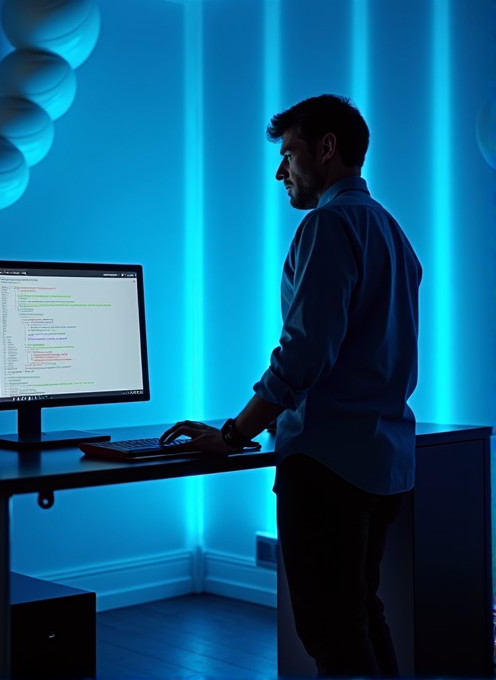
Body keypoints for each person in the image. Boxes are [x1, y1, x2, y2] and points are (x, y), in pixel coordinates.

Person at [161, 94, 422, 679]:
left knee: (332, 635)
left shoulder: (327, 225)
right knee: (359, 616)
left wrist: (233, 433)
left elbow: (303, 355)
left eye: (288, 154)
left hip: (329, 468)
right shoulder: (392, 232)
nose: (281, 172)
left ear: (326, 150)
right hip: (384, 464)